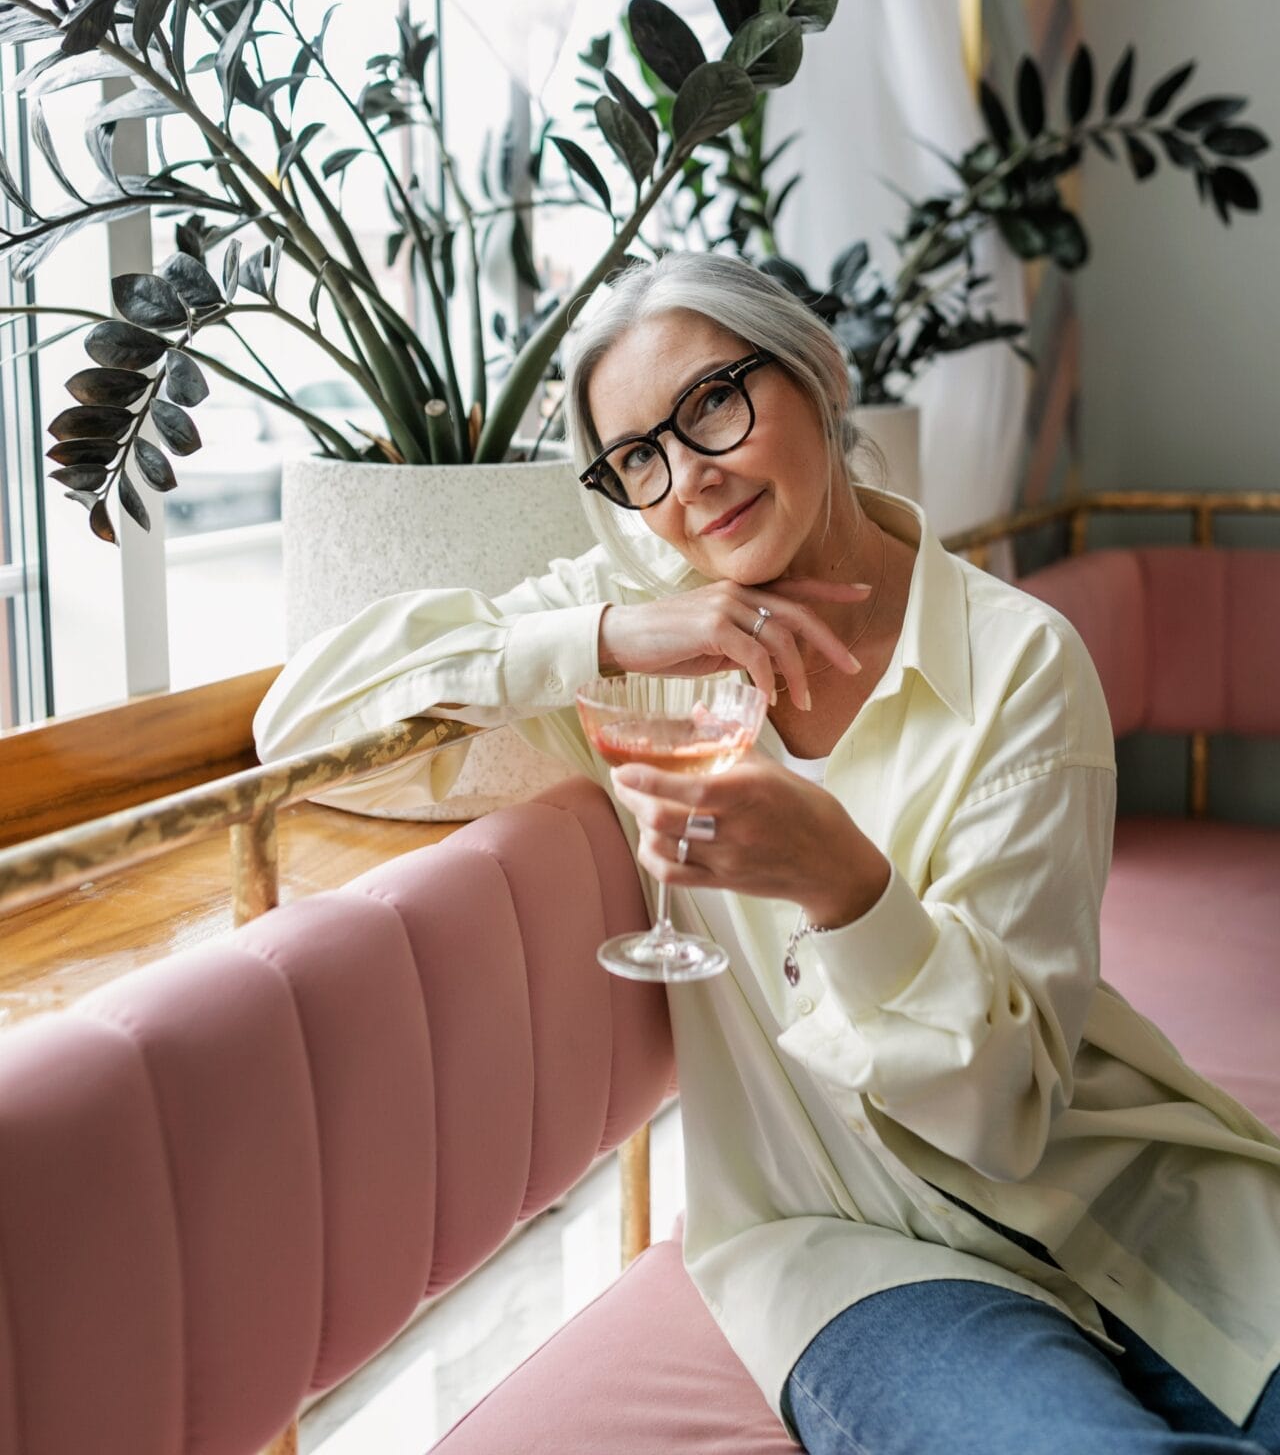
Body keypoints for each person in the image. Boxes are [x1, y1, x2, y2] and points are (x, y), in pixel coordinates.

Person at [254, 251, 1280, 1454]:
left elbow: (1003, 1115)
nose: (689, 479)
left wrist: (843, 886)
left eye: (712, 404)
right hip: (850, 1256)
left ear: (819, 373)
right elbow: (303, 722)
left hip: (1145, 1205)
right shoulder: (641, 646)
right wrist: (610, 627)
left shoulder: (1019, 665)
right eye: (639, 457)